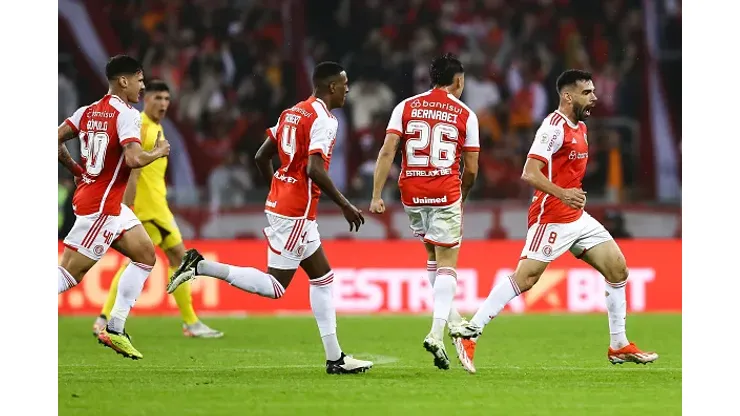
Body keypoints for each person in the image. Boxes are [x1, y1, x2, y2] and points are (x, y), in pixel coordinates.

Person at [166, 62, 373, 375]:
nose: (348, 89)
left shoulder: (292, 112)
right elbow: (314, 169)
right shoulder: (325, 120)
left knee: (323, 278)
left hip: (285, 204)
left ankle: (335, 358)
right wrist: (345, 204)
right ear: (331, 86)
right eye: (345, 84)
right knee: (275, 287)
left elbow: (261, 156)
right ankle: (200, 265)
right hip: (296, 211)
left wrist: (278, 187)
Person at [450, 69, 658, 372]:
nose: (595, 98)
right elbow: (529, 172)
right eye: (588, 92)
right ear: (568, 95)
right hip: (551, 218)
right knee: (526, 278)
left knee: (618, 269)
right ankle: (470, 333)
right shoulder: (553, 127)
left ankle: (619, 344)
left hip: (577, 218)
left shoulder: (581, 129)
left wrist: (570, 198)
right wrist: (564, 194)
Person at [369, 53, 480, 372]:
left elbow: (388, 150)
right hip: (444, 190)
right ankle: (436, 332)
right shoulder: (466, 114)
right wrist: (463, 195)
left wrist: (377, 194)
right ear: (458, 81)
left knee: (432, 255)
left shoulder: (405, 106)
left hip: (411, 191)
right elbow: (470, 168)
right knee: (448, 261)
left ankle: (454, 320)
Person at [57, 55, 170, 359]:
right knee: (68, 275)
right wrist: (158, 152)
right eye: (140, 80)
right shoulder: (127, 114)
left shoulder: (86, 111)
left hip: (107, 202)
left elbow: (55, 139)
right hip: (102, 208)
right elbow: (133, 159)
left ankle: (116, 328)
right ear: (124, 81)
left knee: (146, 256)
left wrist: (75, 169)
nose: (142, 87)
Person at [92, 80, 222, 339]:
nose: (163, 104)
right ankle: (107, 318)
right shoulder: (142, 128)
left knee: (176, 259)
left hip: (158, 207)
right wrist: (127, 206)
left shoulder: (153, 127)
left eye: (166, 99)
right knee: (153, 261)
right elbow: (134, 168)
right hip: (148, 210)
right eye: (157, 98)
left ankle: (190, 322)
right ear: (145, 99)